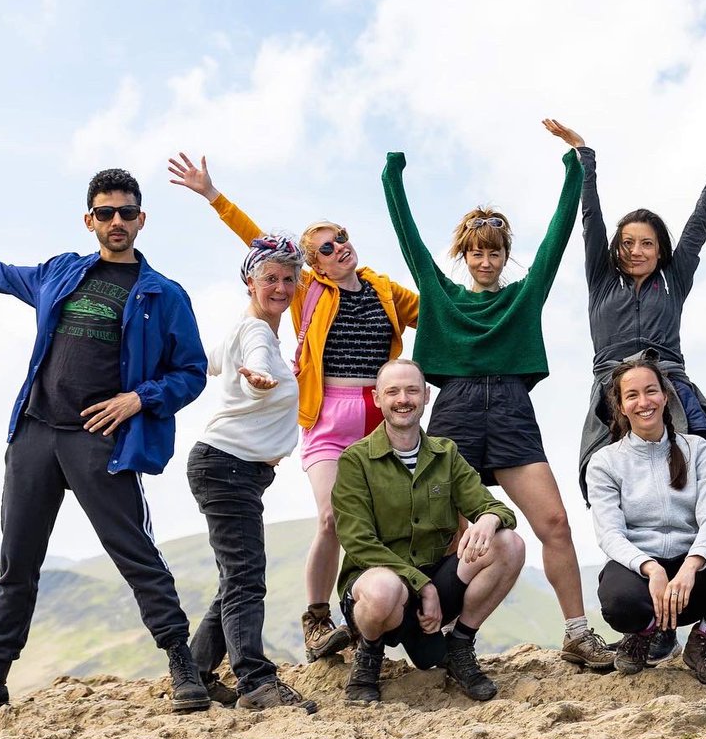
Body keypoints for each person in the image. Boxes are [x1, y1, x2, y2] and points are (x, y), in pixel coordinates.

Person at [0, 169, 210, 714]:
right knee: (18, 561)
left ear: (141, 220)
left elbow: (192, 372)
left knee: (135, 552)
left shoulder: (164, 294)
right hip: (35, 432)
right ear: (90, 221)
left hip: (100, 441)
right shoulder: (60, 273)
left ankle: (182, 662)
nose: (116, 222)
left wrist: (140, 398)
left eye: (127, 212)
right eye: (105, 213)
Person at [168, 153, 418, 662]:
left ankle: (377, 618)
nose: (339, 248)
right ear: (315, 263)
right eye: (326, 247)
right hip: (327, 417)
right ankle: (316, 618)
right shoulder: (305, 290)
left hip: (378, 417)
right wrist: (215, 197)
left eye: (342, 238)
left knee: (385, 522)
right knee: (330, 518)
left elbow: (437, 312)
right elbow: (260, 245)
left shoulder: (384, 288)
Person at [381, 133, 615, 671]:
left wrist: (574, 165)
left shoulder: (522, 295)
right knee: (453, 539)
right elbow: (407, 236)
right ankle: (444, 638)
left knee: (554, 521)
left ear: (506, 256)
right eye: (476, 252)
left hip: (511, 410)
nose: (485, 261)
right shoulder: (441, 295)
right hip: (456, 410)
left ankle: (577, 633)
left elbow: (558, 236)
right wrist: (393, 173)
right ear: (463, 255)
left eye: (494, 252)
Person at [544, 117, 706, 663]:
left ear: (660, 249)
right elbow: (589, 217)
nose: (637, 250)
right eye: (628, 243)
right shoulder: (601, 277)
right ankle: (648, 607)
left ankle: (694, 567)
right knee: (602, 473)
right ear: (616, 249)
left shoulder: (674, 277)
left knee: (695, 458)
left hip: (668, 382)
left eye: (647, 243)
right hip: (611, 385)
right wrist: (582, 155)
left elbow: (699, 227)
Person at [332, 359, 525, 703]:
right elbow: (357, 541)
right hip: (381, 583)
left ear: (427, 396)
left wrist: (488, 519)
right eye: (392, 391)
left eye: (411, 390)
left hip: (435, 584)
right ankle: (369, 654)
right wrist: (422, 587)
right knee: (382, 591)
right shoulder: (355, 460)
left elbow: (496, 508)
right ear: (377, 398)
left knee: (508, 544)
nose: (402, 399)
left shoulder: (446, 454)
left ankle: (460, 645)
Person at [186, 235, 316, 713]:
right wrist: (258, 375)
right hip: (228, 466)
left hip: (229, 468)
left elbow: (209, 361)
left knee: (234, 578)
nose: (280, 286)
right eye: (269, 278)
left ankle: (194, 677)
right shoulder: (258, 334)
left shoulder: (248, 328)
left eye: (288, 278)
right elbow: (251, 361)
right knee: (245, 579)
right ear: (250, 282)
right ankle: (256, 684)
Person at [587, 358, 706, 684]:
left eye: (651, 391)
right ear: (621, 406)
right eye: (632, 395)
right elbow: (610, 534)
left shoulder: (697, 450)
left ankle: (705, 639)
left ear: (665, 396)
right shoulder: (605, 462)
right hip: (643, 579)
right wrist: (651, 568)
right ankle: (644, 633)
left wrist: (691, 566)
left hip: (691, 581)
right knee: (617, 600)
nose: (644, 402)